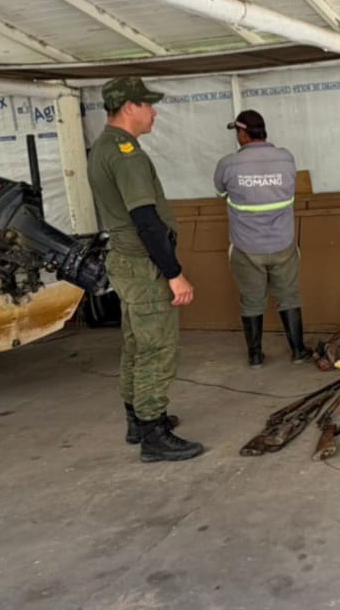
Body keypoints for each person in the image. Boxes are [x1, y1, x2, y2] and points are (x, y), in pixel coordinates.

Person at [87, 77, 204, 462]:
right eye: (148, 105)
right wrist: (173, 272)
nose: (154, 111)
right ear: (129, 108)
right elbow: (146, 219)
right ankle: (154, 434)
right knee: (157, 347)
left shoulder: (103, 146)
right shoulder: (126, 153)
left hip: (125, 261)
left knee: (136, 344)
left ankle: (138, 419)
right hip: (143, 265)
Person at [214, 110, 308, 367]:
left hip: (247, 246)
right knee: (288, 295)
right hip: (283, 243)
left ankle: (255, 355)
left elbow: (220, 190)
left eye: (237, 132)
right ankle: (298, 350)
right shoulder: (286, 159)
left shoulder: (228, 164)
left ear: (243, 133)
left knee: (252, 299)